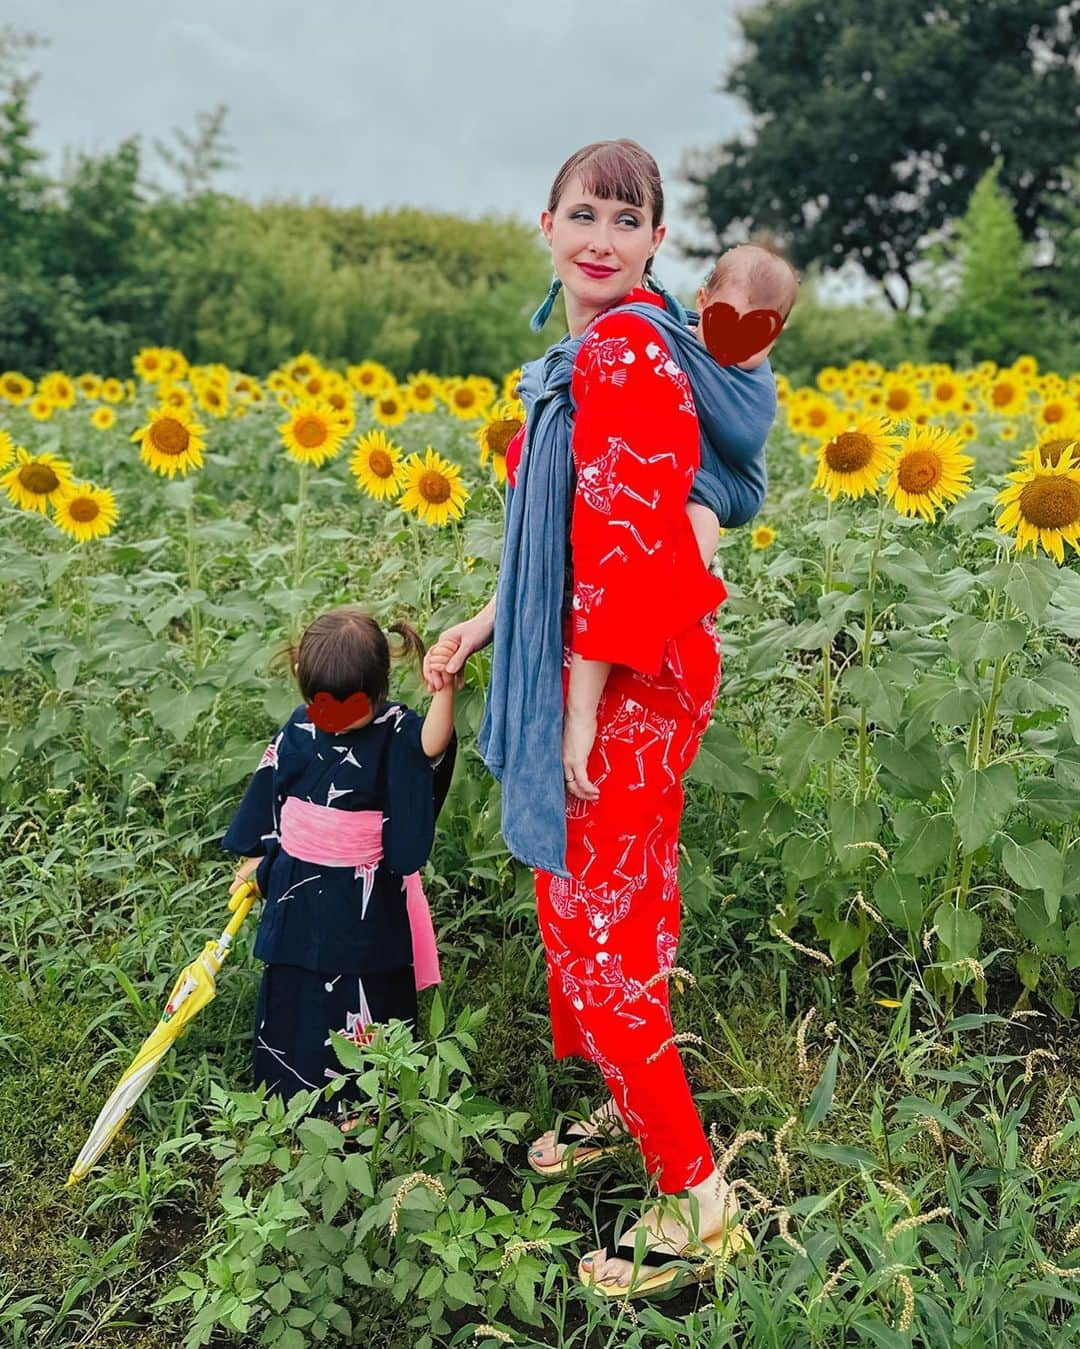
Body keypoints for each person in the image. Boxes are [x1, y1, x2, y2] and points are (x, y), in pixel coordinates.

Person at [426, 139, 776, 1296]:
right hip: (594, 657)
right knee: (584, 903)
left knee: (605, 931)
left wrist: (576, 713)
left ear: (655, 244)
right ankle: (624, 1109)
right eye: (585, 212)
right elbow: (559, 540)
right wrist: (486, 623)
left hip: (626, 671)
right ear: (545, 222)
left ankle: (697, 1202)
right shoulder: (576, 359)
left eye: (627, 221)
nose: (601, 236)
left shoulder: (626, 355)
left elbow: (624, 564)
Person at [224, 606, 458, 1137]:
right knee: (296, 980)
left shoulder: (396, 729)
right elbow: (273, 789)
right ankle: (288, 1082)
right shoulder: (301, 728)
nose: (328, 717)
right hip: (300, 881)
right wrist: (257, 854)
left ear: (376, 692)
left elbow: (431, 748)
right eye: (318, 704)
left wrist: (445, 692)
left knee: (361, 987)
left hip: (362, 892)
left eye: (344, 707)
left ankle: (362, 1093)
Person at [686, 243, 799, 566]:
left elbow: (744, 436)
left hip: (728, 482)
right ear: (703, 302)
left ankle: (684, 587)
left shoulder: (756, 384)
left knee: (700, 516)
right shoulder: (679, 338)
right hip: (682, 467)